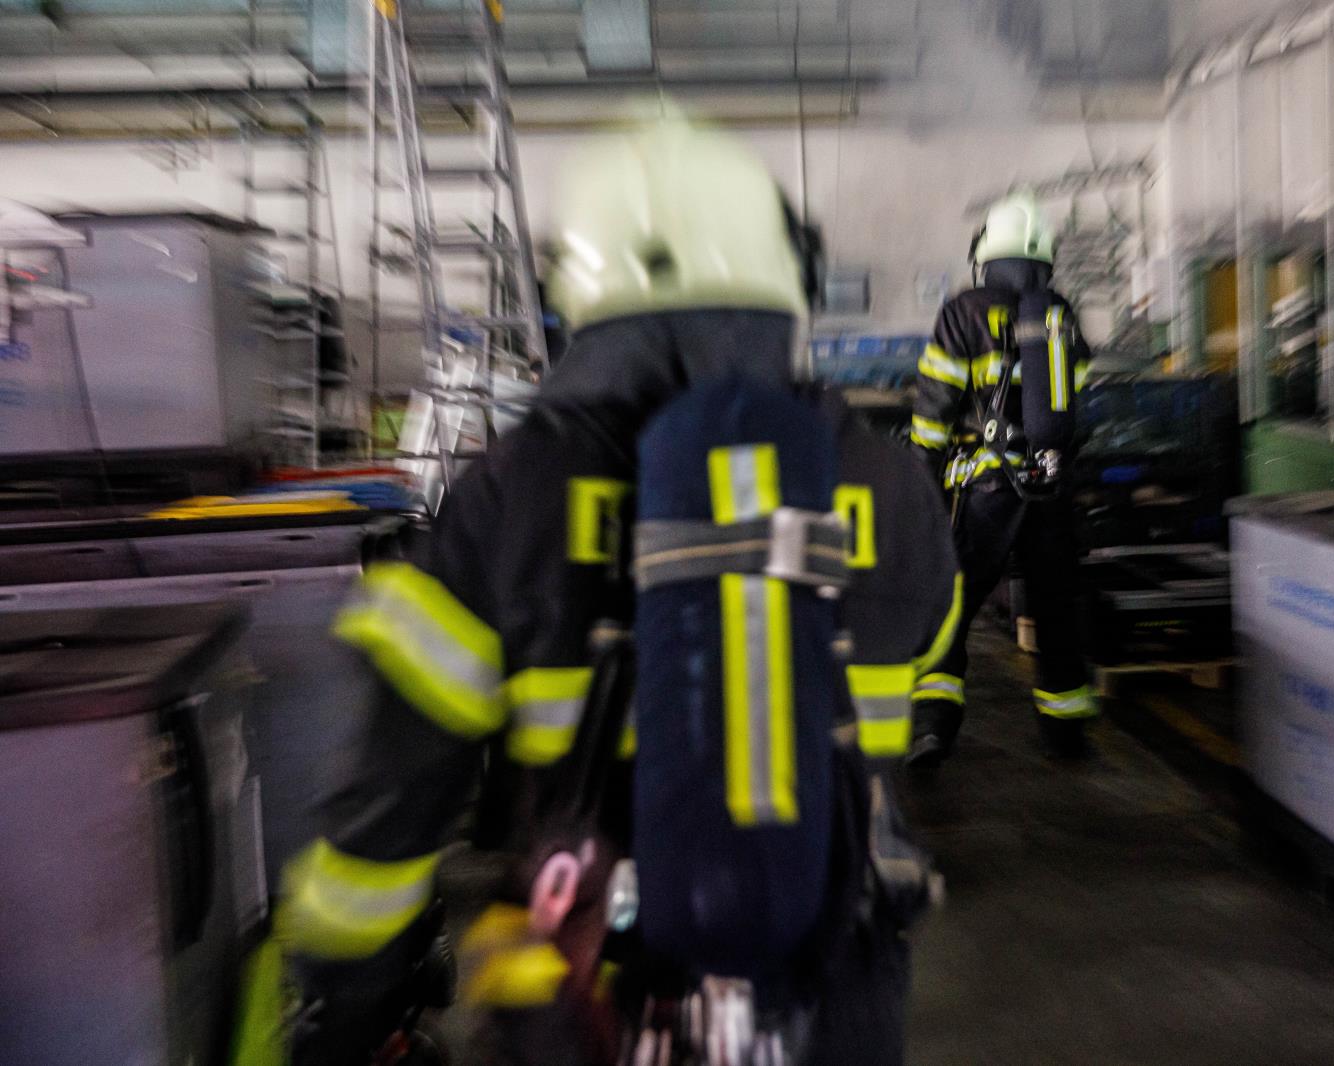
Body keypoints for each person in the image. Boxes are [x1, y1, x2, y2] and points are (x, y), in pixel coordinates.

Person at [257, 109, 960, 1066]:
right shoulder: (893, 486)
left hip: (586, 1006)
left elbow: (390, 809)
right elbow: (929, 655)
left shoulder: (511, 495)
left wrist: (340, 1010)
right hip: (832, 1006)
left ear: (587, 293)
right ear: (781, 279)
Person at [904, 192, 1097, 769]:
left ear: (986, 252)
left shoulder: (962, 313)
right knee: (1056, 608)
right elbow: (1077, 397)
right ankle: (1067, 732)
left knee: (951, 606)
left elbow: (934, 409)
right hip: (1051, 489)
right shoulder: (1059, 312)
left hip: (987, 493)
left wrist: (923, 481)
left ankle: (934, 725)